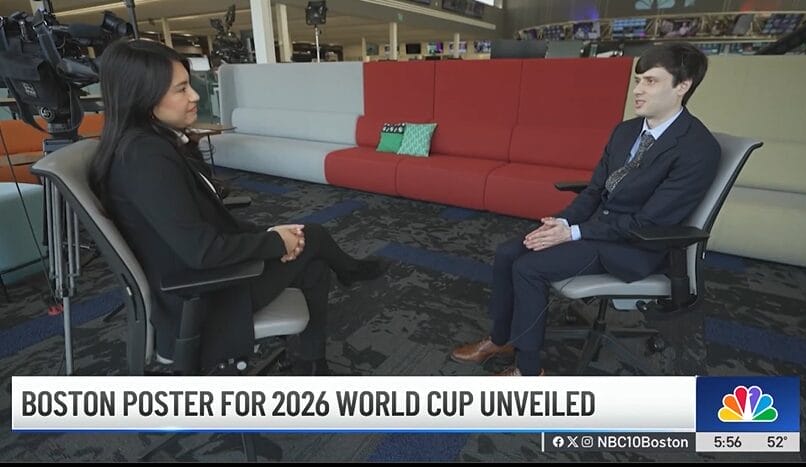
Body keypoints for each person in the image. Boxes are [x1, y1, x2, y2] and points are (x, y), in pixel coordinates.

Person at [90, 39, 386, 375]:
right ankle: (347, 273)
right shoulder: (146, 158)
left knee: (313, 262)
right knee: (313, 237)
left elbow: (205, 224)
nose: (195, 97)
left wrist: (272, 236)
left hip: (197, 281)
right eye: (181, 89)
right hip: (203, 295)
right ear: (143, 98)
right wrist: (276, 242)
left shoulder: (146, 146)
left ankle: (312, 364)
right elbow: (201, 251)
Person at [451, 43, 721, 376]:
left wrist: (574, 232)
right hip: (598, 229)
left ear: (683, 86)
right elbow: (594, 191)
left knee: (528, 268)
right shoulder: (625, 131)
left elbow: (649, 221)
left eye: (651, 81)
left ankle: (529, 370)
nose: (637, 90)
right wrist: (562, 222)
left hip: (636, 244)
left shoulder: (698, 148)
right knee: (509, 252)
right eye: (638, 80)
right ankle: (501, 338)